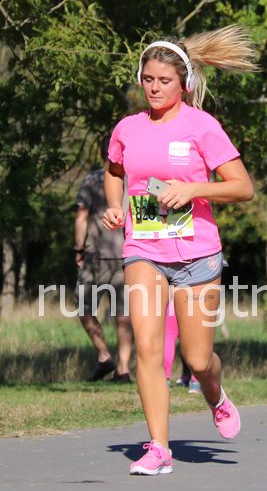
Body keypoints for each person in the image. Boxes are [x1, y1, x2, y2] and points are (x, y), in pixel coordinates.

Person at [102, 25, 257, 476]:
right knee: (148, 349)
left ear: (183, 83)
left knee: (197, 358)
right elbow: (114, 171)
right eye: (148, 79)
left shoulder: (201, 126)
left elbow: (242, 187)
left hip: (197, 256)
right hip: (143, 249)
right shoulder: (128, 128)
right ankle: (159, 448)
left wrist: (193, 189)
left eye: (164, 81)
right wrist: (115, 208)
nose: (154, 88)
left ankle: (215, 394)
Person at [75, 137, 133, 383]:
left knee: (84, 307)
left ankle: (104, 355)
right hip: (128, 253)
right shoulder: (134, 180)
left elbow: (82, 216)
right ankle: (123, 369)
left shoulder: (92, 180)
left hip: (97, 253)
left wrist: (79, 248)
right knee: (123, 313)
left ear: (102, 153)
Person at [163, 303, 201, 393]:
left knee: (169, 338)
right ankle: (195, 383)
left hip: (172, 304)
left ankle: (164, 381)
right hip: (195, 303)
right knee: (195, 341)